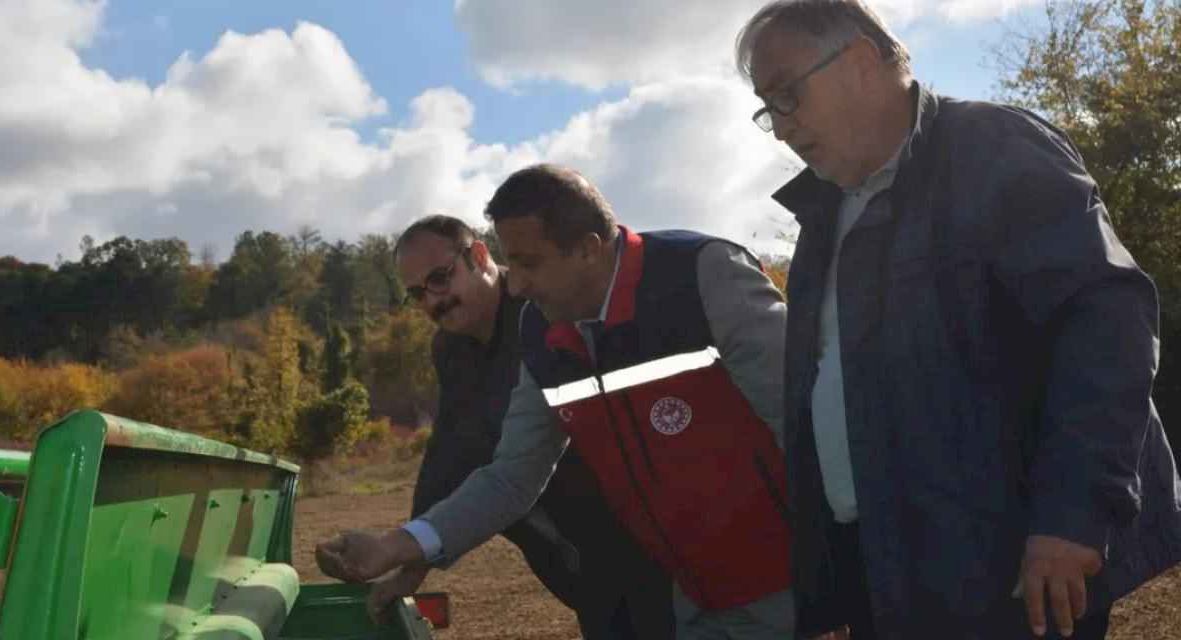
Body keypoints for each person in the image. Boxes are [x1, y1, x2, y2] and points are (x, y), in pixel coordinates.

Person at [733, 1, 1181, 638]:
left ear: (860, 63)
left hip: (1007, 570)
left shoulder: (993, 149)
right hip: (892, 570)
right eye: (767, 106)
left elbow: (1106, 322)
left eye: (786, 96)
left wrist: (1071, 515)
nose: (780, 128)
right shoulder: (824, 213)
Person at [317, 164, 796, 639]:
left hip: (785, 588)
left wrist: (832, 585)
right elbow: (509, 476)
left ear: (588, 249)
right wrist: (402, 545)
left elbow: (802, 422)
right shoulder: (542, 332)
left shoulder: (702, 275)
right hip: (681, 594)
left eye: (529, 263)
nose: (517, 284)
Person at [374, 213, 674, 639]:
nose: (433, 302)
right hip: (575, 553)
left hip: (648, 532)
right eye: (417, 294)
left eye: (440, 278)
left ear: (479, 255)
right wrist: (413, 563)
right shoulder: (450, 349)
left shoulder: (546, 310)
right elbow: (451, 449)